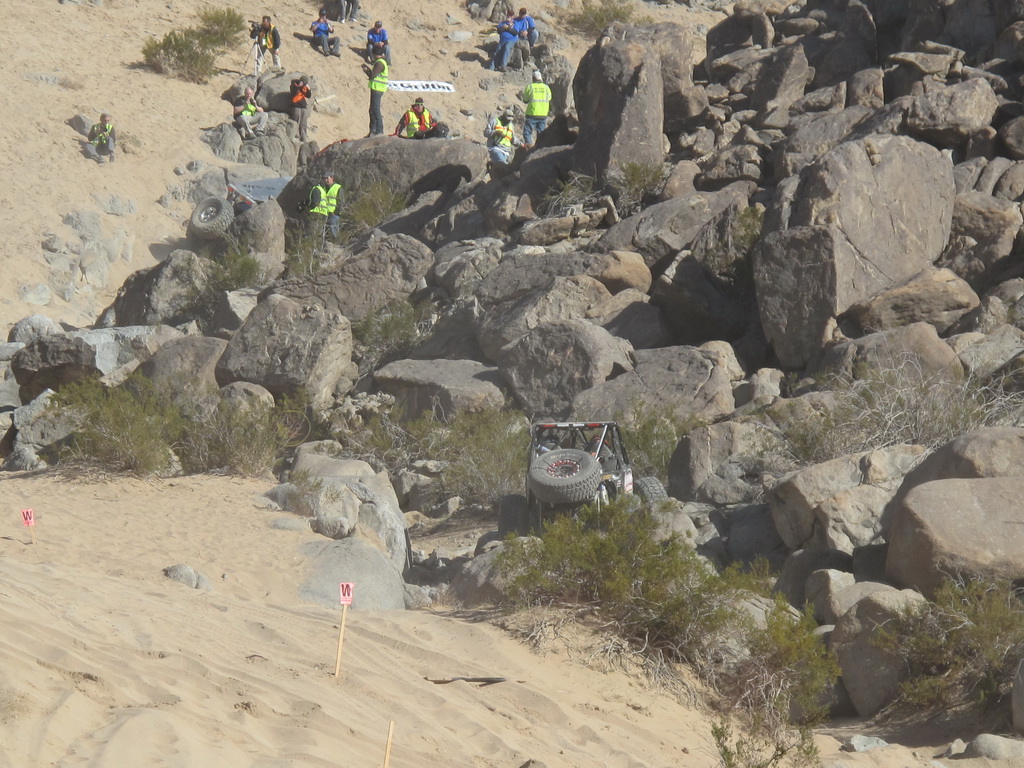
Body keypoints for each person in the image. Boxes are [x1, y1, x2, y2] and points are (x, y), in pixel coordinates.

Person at [519, 70, 551, 148]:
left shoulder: (530, 87)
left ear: (533, 78)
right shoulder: (546, 87)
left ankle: (529, 146)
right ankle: (540, 148)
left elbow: (525, 100)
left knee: (527, 132)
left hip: (532, 113)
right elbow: (549, 98)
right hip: (543, 114)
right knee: (541, 133)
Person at [363, 46, 389, 137]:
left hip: (378, 88)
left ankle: (378, 130)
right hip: (378, 88)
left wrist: (367, 71)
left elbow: (373, 75)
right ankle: (373, 131)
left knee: (375, 109)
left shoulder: (379, 63)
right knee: (372, 110)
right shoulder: (382, 62)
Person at [308, 173, 342, 239]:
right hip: (325, 213)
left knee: (333, 232)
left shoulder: (337, 187)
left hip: (333, 213)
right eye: (324, 178)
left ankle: (335, 243)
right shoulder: (323, 188)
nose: (326, 180)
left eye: (327, 178)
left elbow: (340, 201)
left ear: (332, 178)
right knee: (324, 233)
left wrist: (337, 212)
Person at [290, 75, 312, 142]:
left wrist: (308, 89)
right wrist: (299, 85)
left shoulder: (304, 87)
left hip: (303, 106)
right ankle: (295, 135)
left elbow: (308, 96)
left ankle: (303, 137)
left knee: (303, 122)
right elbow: (294, 92)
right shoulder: (295, 85)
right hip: (296, 106)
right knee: (296, 120)